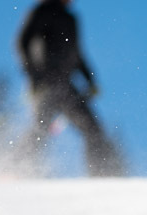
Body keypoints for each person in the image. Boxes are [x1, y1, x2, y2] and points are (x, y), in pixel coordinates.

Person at [17, 0, 122, 176]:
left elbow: (76, 52)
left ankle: (100, 176)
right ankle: (18, 170)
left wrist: (90, 79)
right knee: (40, 128)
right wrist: (33, 77)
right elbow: (23, 42)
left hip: (66, 84)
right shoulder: (42, 11)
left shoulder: (70, 18)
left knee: (93, 128)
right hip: (45, 82)